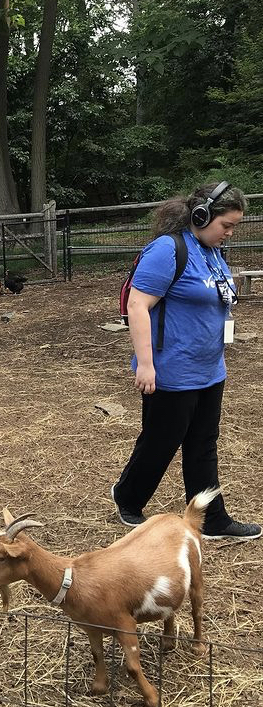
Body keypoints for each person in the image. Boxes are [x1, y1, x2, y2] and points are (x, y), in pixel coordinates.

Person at [111, 182, 261, 540]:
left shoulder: (212, 252)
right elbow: (138, 305)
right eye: (226, 225)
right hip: (172, 370)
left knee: (204, 443)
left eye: (234, 227)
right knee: (161, 441)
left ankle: (211, 518)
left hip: (210, 369)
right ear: (201, 215)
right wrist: (146, 365)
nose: (230, 233)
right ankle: (127, 497)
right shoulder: (168, 250)